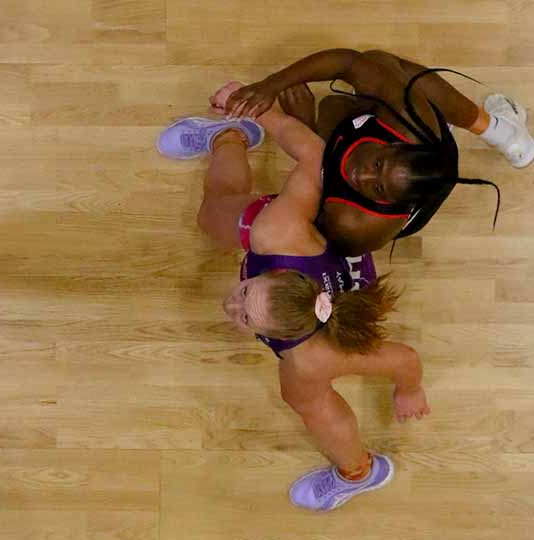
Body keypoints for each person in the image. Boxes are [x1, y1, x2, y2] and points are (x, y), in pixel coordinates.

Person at [158, 105, 429, 511]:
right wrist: (261, 110)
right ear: (275, 274)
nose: (230, 304)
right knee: (211, 213)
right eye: (245, 292)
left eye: (244, 317)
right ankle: (230, 135)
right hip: (299, 229)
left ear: (283, 338)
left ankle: (359, 473)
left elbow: (403, 358)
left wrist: (410, 390)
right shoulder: (276, 232)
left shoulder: (311, 359)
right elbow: (315, 155)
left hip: (315, 337)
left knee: (306, 401)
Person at [165, 49, 534, 256]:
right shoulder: (412, 119)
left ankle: (230, 137)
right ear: (396, 142)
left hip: (330, 199)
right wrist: (270, 85)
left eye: (377, 188)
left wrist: (301, 124)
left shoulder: (356, 225)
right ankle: (500, 131)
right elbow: (349, 63)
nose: (363, 175)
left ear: (388, 204)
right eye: (377, 164)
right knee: (380, 65)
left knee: (217, 216)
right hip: (409, 132)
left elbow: (306, 223)